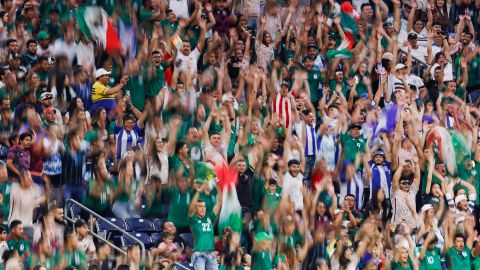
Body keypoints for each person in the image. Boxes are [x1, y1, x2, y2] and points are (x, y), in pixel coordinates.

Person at [188, 180, 223, 270]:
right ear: (196, 209)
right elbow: (191, 208)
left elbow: (219, 204)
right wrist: (198, 192)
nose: (203, 208)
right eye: (200, 206)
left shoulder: (209, 217)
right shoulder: (194, 220)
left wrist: (218, 187)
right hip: (199, 254)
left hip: (211, 254)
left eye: (204, 206)